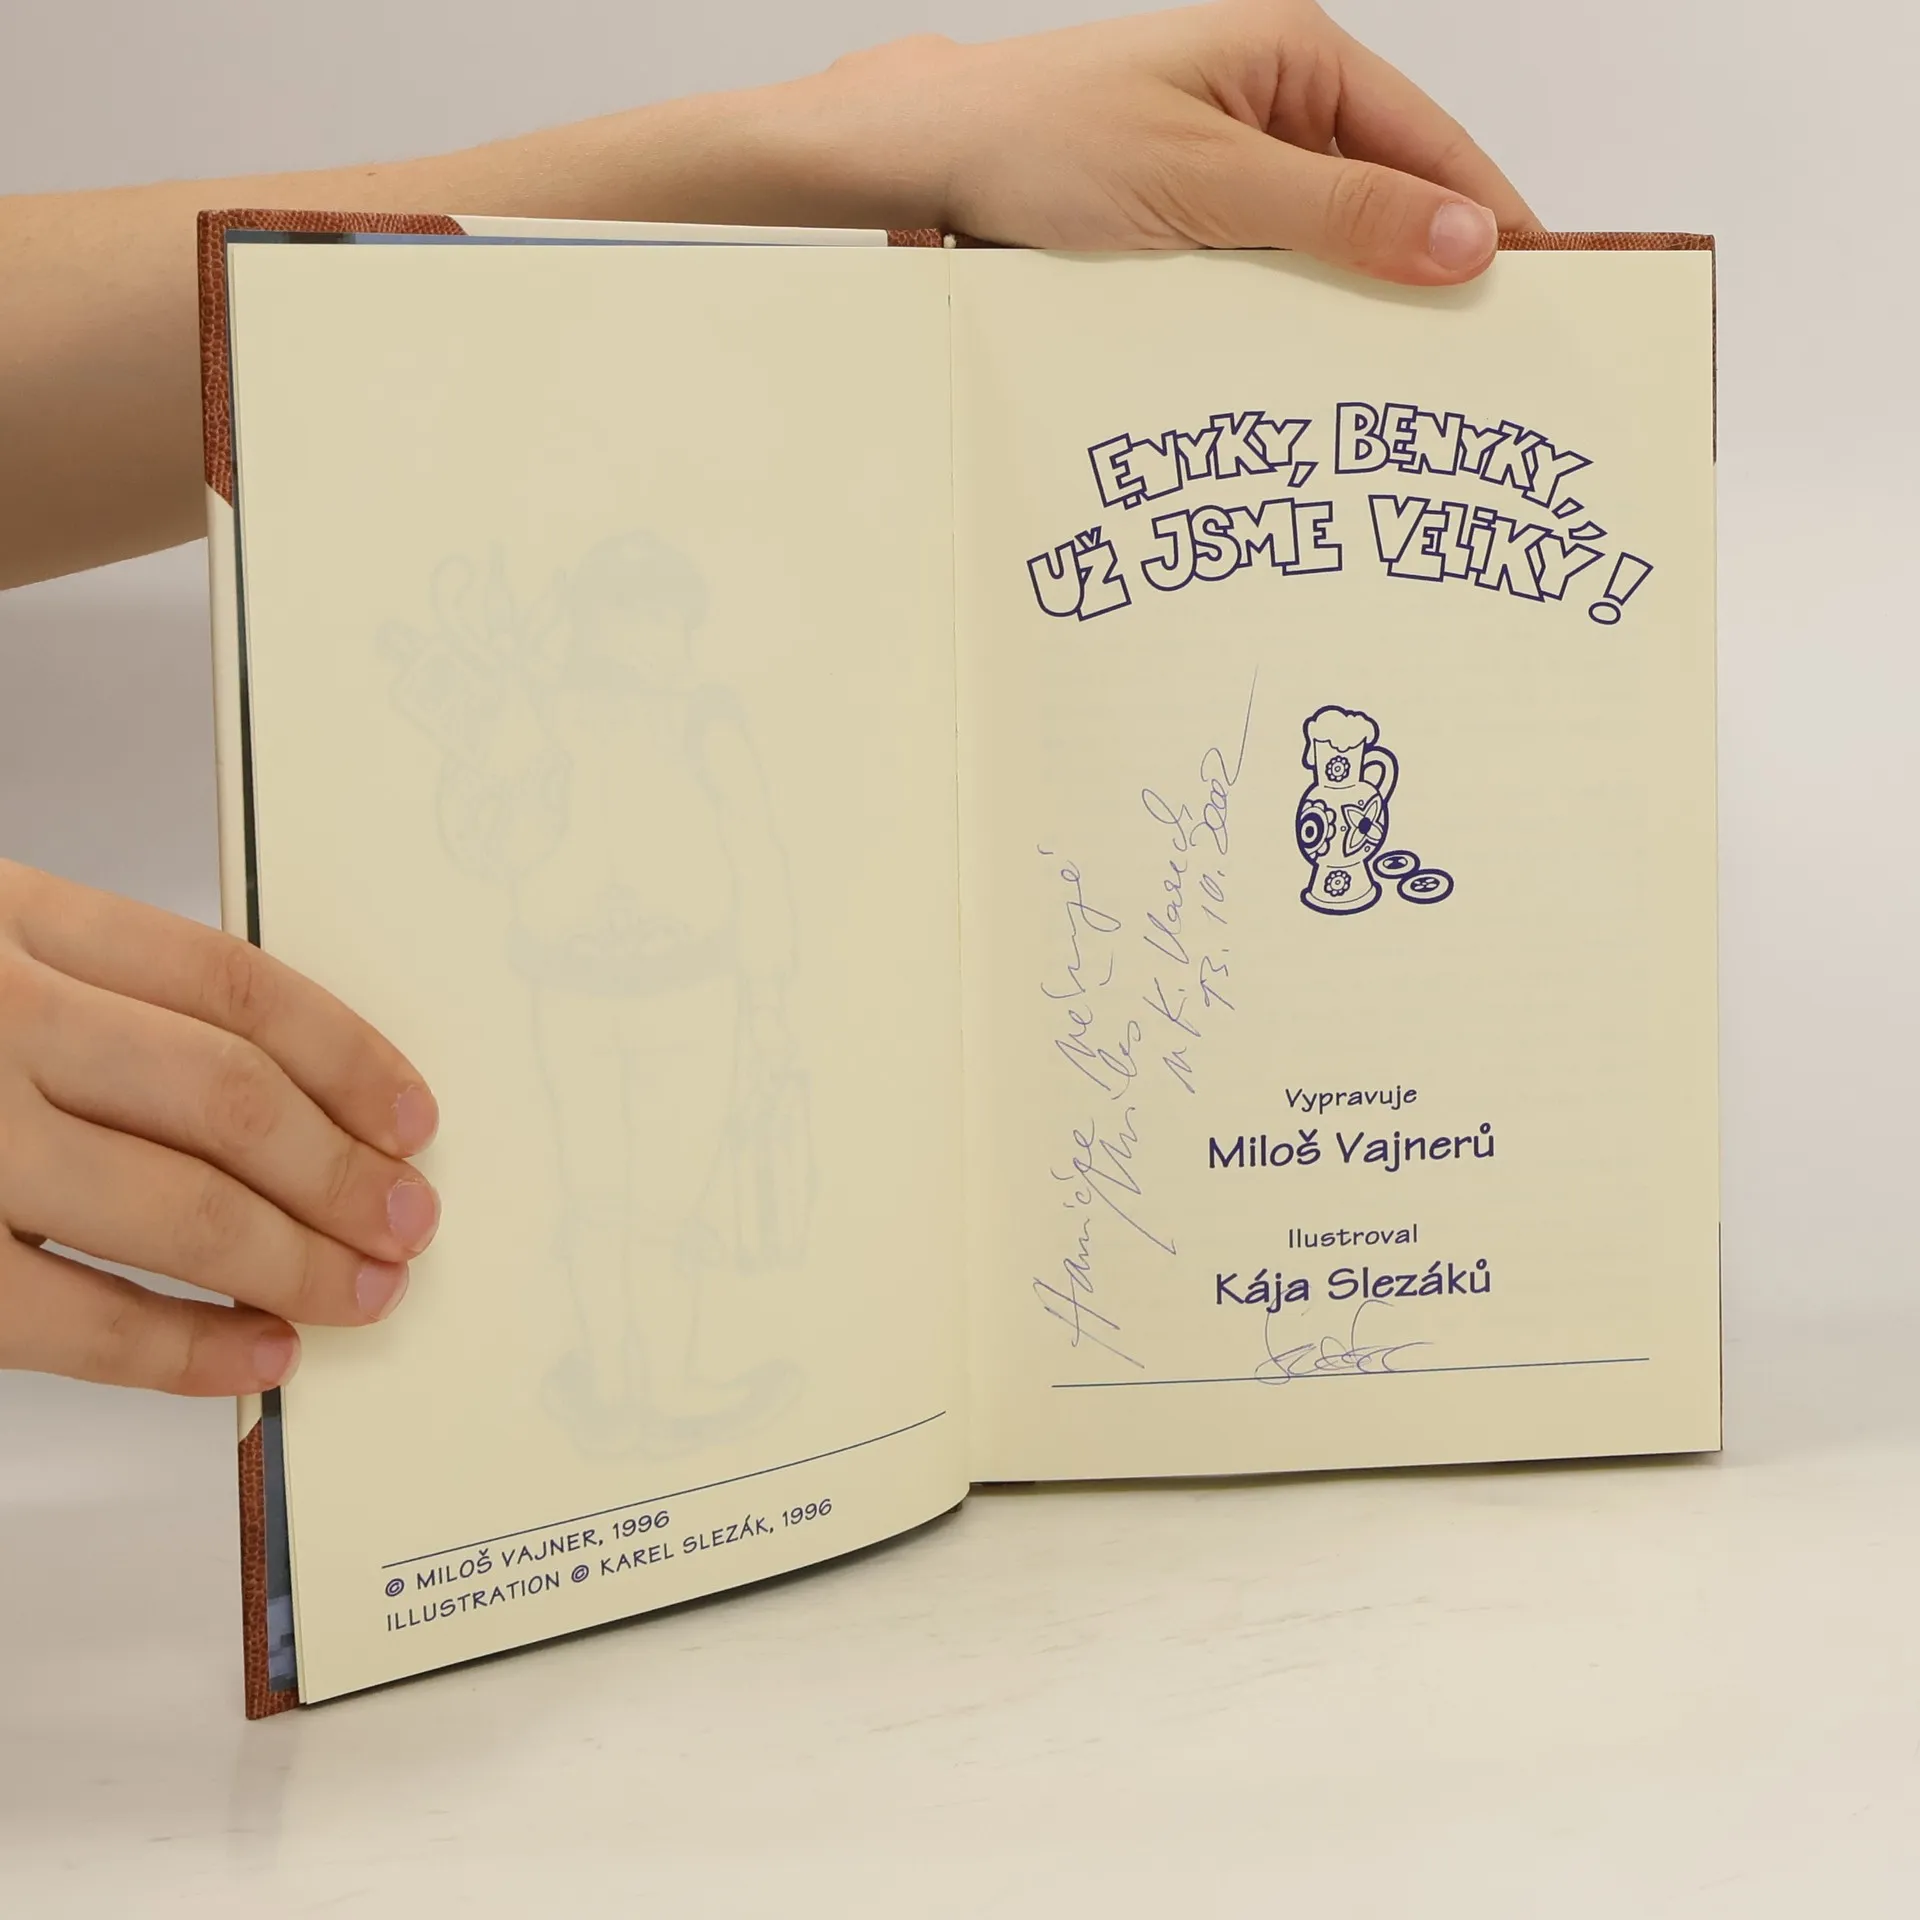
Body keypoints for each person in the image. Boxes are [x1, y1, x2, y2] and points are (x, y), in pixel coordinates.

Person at [0, 0, 1535, 1397]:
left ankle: (652, 1375)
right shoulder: (576, 716)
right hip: (578, 990)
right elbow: (518, 816)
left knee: (672, 1191)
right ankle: (623, 1382)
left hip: (686, 985)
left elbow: (743, 846)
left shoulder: (698, 726)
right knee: (607, 1194)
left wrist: (845, 144)